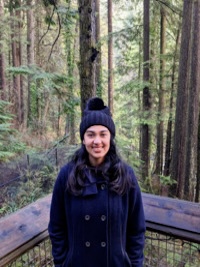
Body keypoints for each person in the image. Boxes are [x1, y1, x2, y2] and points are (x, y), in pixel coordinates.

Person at [48, 97, 146, 267]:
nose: (97, 141)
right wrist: (62, 263)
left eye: (103, 134)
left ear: (110, 138)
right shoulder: (66, 176)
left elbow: (136, 229)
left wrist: (134, 264)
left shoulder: (126, 175)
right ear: (83, 139)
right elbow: (57, 227)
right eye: (91, 134)